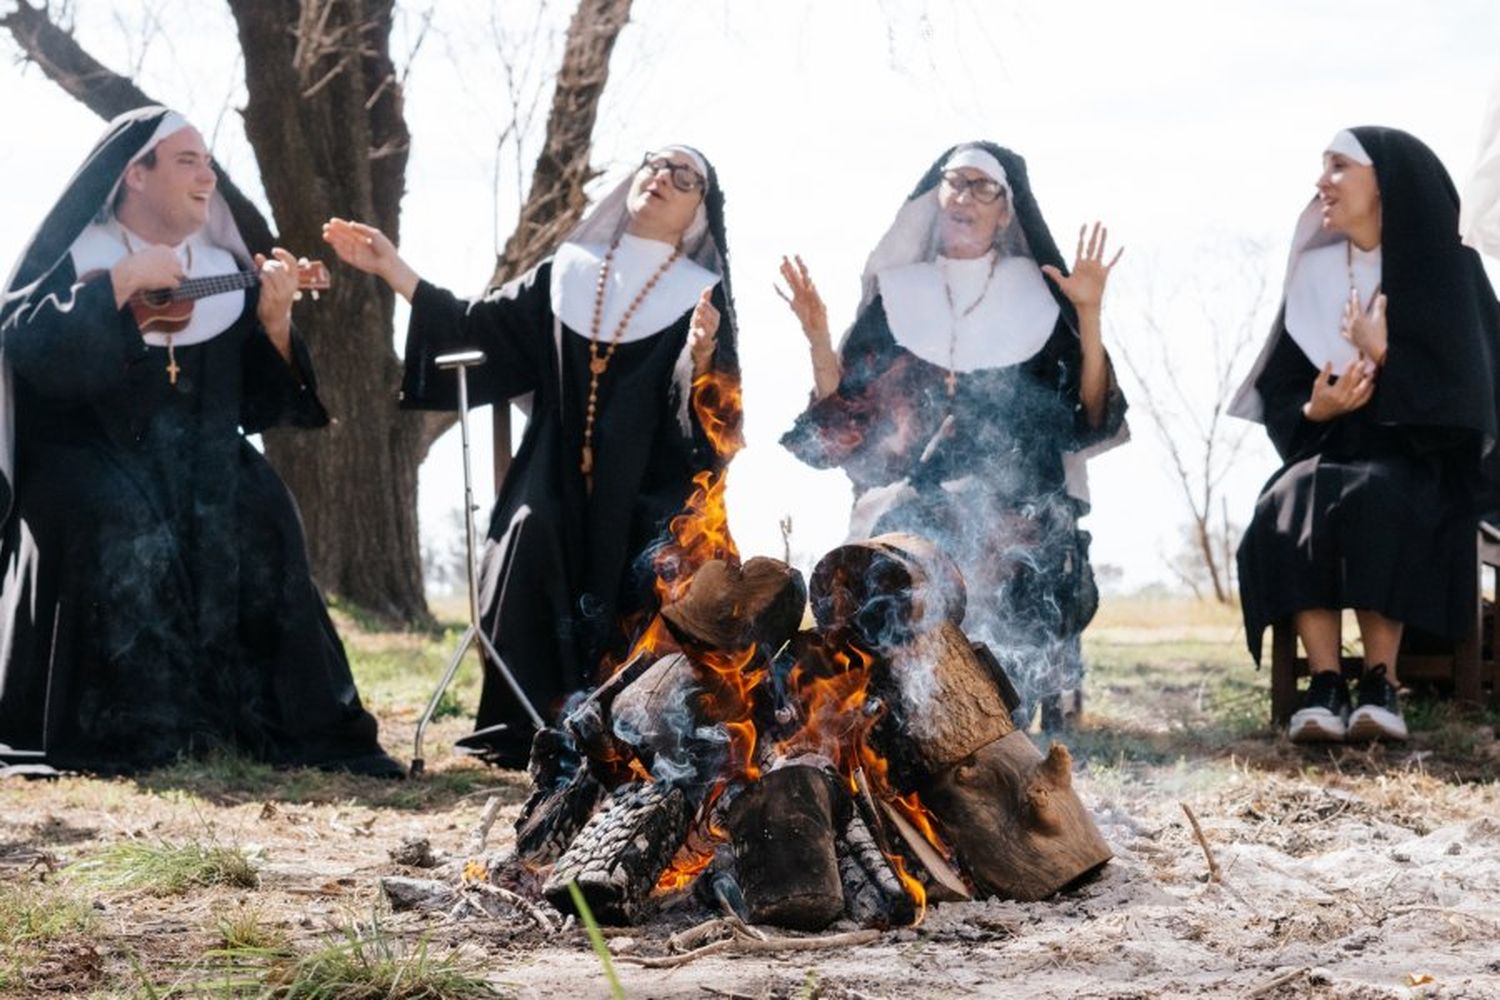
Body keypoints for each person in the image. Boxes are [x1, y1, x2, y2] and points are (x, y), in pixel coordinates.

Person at [0, 106, 401, 777]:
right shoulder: (76, 258)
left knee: (263, 510)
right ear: (134, 174)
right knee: (111, 515)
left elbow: (255, 406)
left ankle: (265, 723)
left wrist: (274, 324)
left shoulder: (224, 269)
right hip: (87, 454)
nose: (207, 176)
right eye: (188, 161)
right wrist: (124, 282)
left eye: (210, 163)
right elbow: (29, 349)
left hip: (201, 455)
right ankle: (133, 733)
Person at [323, 146, 739, 768]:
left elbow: (713, 413)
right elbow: (481, 326)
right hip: (555, 465)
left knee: (659, 553)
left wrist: (702, 357)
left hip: (653, 475)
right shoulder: (568, 268)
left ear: (699, 213)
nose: (663, 179)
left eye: (686, 178)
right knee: (527, 531)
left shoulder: (698, 294)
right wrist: (393, 271)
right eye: (656, 164)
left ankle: (635, 722)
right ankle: (530, 722)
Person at [778, 142, 1127, 730]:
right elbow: (848, 417)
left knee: (1011, 541)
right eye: (954, 183)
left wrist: (1088, 317)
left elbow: (1087, 414)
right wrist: (818, 337)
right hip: (918, 504)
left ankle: (994, 698)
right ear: (936, 197)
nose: (965, 195)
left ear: (1007, 211)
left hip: (1019, 504)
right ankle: (908, 705)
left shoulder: (1039, 291)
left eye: (982, 187)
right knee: (902, 553)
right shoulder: (898, 293)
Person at [1232, 127, 1500, 744]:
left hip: (1418, 453)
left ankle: (1381, 682)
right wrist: (1314, 409)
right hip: (1330, 446)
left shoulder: (1445, 266)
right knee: (1289, 497)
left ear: (1385, 182)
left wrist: (1388, 357)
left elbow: (1471, 393)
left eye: (1338, 167)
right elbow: (1286, 389)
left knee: (1380, 495)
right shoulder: (1315, 272)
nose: (1321, 181)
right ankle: (1325, 685)